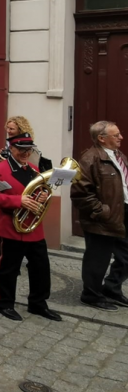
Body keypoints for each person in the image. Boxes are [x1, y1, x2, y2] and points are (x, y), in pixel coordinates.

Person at [0, 133, 61, 322]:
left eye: (29, 149)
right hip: (11, 227)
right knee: (8, 269)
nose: (26, 153)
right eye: (21, 149)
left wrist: (43, 197)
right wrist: (17, 200)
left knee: (41, 267)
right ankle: (4, 303)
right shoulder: (1, 169)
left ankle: (38, 303)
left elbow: (41, 192)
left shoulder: (35, 170)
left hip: (34, 228)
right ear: (11, 149)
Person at [71, 121, 128, 311]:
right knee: (97, 259)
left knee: (125, 256)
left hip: (122, 214)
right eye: (116, 135)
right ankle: (91, 295)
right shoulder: (90, 159)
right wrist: (101, 211)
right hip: (102, 218)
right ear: (101, 138)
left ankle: (111, 288)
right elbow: (80, 192)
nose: (121, 138)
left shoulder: (119, 156)